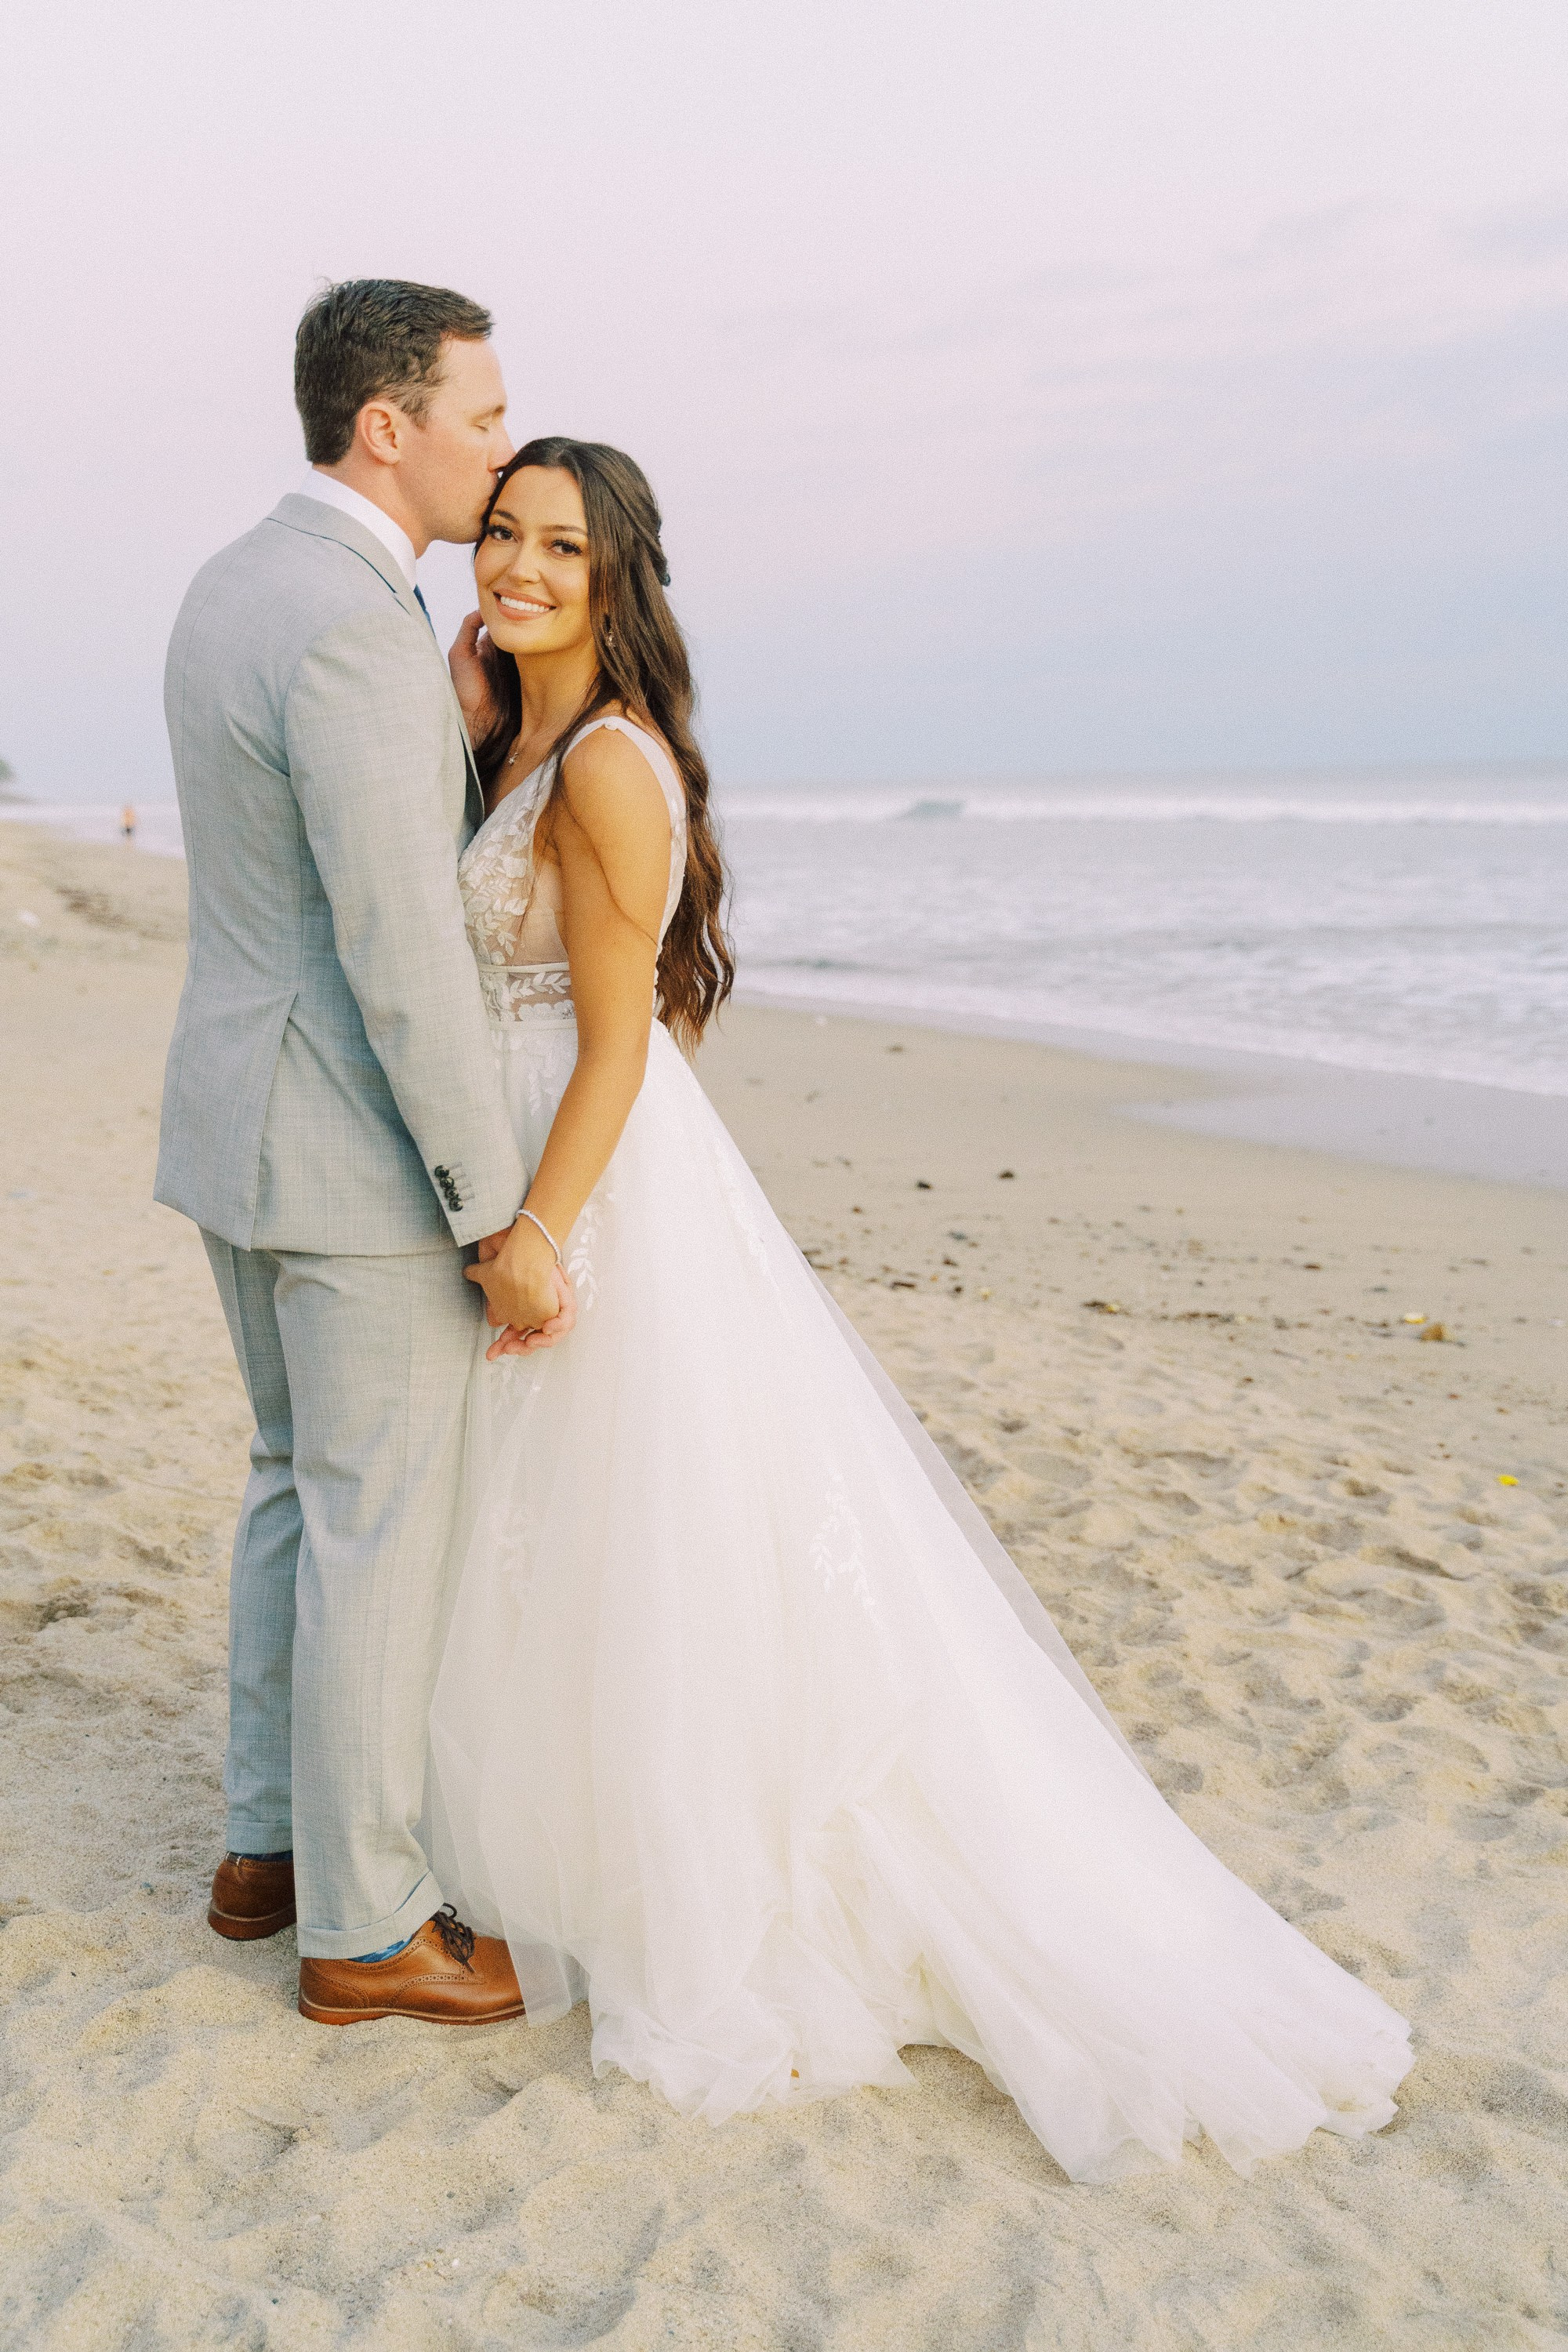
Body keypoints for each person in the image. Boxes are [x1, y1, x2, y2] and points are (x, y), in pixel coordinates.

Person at [424, 438, 1414, 2183]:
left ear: (617, 576)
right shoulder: (518, 738)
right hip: (551, 1153)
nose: (515, 565)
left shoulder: (606, 769)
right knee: (574, 1534)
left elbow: (620, 1040)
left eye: (558, 547)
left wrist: (541, 1232)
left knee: (645, 1535)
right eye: (501, 532)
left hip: (579, 1173)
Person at [157, 281, 573, 2026]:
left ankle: (266, 1850)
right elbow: (400, 949)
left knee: (286, 1488)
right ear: (386, 425)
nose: (499, 447)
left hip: (236, 1123)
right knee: (376, 1530)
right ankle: (367, 1922)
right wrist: (496, 1208)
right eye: (481, 417)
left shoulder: (233, 582)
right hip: (346, 1158)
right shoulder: (347, 623)